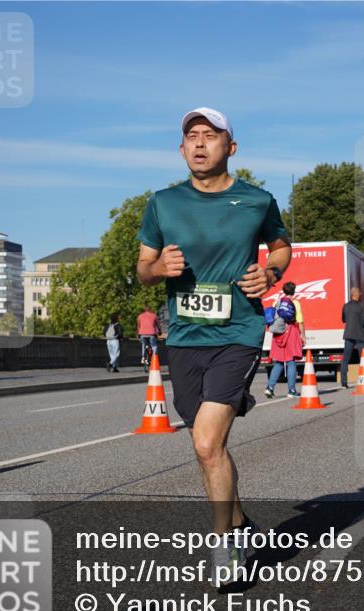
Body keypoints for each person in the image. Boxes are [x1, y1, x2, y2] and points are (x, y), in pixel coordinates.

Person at [137, 106, 291, 583]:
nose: (199, 143)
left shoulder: (257, 200)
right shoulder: (162, 203)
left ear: (231, 147)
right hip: (185, 337)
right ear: (181, 148)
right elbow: (142, 268)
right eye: (192, 136)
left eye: (210, 135)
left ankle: (225, 546)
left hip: (238, 333)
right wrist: (158, 269)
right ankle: (241, 525)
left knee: (206, 442)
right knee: (208, 449)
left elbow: (282, 247)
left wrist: (270, 273)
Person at [265, 281, 305, 398]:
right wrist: (303, 336)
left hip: (278, 335)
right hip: (290, 332)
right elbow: (300, 321)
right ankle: (291, 390)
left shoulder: (276, 302)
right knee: (291, 361)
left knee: (278, 362)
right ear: (294, 291)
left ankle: (270, 388)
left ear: (284, 290)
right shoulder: (295, 303)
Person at [340, 287, 364, 388]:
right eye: (359, 293)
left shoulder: (345, 306)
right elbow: (363, 322)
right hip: (359, 335)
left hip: (348, 335)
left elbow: (343, 320)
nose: (360, 294)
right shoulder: (360, 306)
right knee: (363, 358)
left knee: (345, 359)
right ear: (356, 294)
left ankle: (344, 382)